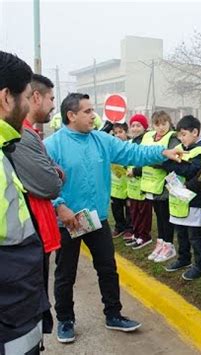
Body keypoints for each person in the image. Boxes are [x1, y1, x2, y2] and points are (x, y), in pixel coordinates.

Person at [44, 93, 182, 344]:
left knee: (107, 268)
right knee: (66, 273)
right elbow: (44, 183)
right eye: (86, 111)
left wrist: (164, 152)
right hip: (69, 221)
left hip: (96, 219)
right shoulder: (52, 145)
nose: (93, 115)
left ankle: (114, 314)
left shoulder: (102, 140)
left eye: (92, 110)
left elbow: (133, 153)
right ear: (71, 115)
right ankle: (65, 320)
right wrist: (59, 207)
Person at [0, 50, 49, 354]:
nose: (30, 105)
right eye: (27, 97)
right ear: (7, 97)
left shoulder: (6, 147)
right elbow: (49, 183)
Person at [10, 74, 64, 336]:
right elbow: (50, 184)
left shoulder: (29, 134)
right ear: (35, 97)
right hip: (29, 237)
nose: (53, 104)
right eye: (51, 98)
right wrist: (54, 173)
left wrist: (52, 172)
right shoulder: (22, 136)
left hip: (37, 233)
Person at [162, 115, 201, 280]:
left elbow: (192, 171)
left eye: (183, 134)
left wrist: (170, 163)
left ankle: (200, 265)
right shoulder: (181, 147)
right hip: (178, 197)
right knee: (180, 230)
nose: (181, 138)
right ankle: (183, 258)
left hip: (193, 198)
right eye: (179, 135)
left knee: (194, 234)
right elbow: (171, 165)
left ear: (195, 132)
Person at [141, 111, 180, 258]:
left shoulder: (173, 138)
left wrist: (150, 160)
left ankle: (169, 245)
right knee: (158, 214)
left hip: (165, 185)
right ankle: (161, 242)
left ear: (169, 123)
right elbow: (142, 153)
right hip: (151, 183)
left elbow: (170, 160)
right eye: (157, 124)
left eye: (164, 123)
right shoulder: (149, 137)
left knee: (165, 216)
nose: (161, 127)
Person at [124, 115, 151, 248]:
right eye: (133, 125)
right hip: (131, 184)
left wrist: (135, 171)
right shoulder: (129, 143)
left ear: (145, 128)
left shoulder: (146, 143)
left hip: (143, 182)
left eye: (138, 125)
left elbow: (148, 162)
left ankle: (144, 235)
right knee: (133, 210)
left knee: (143, 211)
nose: (135, 128)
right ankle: (136, 233)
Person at [110, 122, 133, 239]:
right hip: (115, 184)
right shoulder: (111, 146)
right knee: (116, 208)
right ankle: (119, 227)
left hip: (129, 183)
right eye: (115, 133)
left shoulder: (130, 145)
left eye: (120, 132)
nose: (118, 135)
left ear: (126, 132)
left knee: (129, 208)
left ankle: (130, 228)